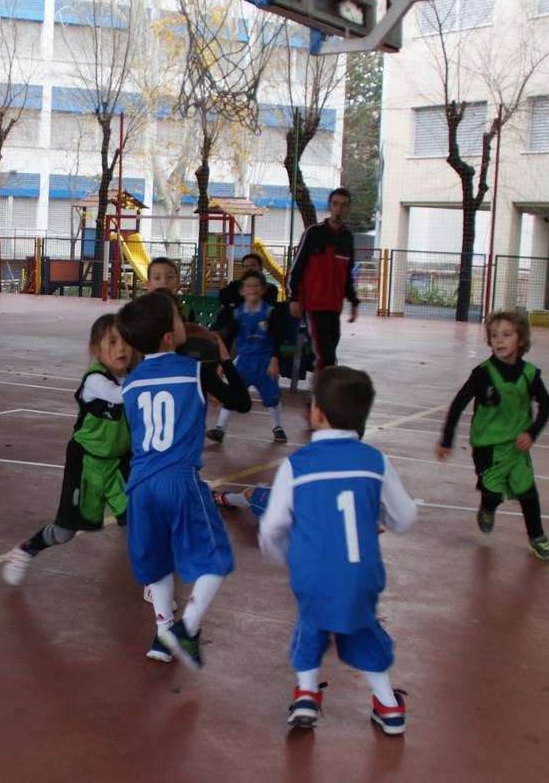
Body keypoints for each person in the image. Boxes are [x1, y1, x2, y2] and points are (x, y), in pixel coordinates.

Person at [259, 366, 417, 735]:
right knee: (360, 626)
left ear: (317, 413)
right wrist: (380, 518)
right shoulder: (375, 461)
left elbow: (273, 525)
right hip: (362, 572)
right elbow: (405, 517)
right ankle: (389, 707)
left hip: (313, 573)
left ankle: (307, 695)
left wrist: (282, 554)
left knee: (311, 625)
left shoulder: (297, 464)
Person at [116, 290, 251, 669]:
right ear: (167, 336)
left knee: (157, 563)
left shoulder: (130, 383)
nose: (183, 322)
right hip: (180, 480)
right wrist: (225, 360)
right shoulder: (196, 369)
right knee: (215, 560)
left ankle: (163, 631)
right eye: (178, 318)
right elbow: (240, 402)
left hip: (140, 485)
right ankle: (186, 628)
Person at [2, 314, 132, 586]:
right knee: (64, 533)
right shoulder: (95, 379)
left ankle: (155, 586)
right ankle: (27, 549)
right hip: (86, 462)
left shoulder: (132, 376)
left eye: (126, 341)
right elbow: (121, 396)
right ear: (96, 349)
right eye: (112, 342)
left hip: (119, 463)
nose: (121, 348)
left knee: (138, 520)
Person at [435, 310, 549, 561]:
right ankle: (487, 507)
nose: (499, 340)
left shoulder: (530, 374)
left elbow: (547, 405)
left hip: (516, 447)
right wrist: (447, 439)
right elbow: (458, 404)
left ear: (521, 340)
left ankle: (537, 538)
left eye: (506, 335)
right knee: (492, 494)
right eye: (494, 335)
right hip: (487, 447)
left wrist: (532, 433)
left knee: (528, 493)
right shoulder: (482, 373)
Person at [206, 269, 287, 444]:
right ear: (242, 291)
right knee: (233, 393)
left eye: (256, 286)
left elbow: (277, 337)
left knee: (272, 397)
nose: (252, 289)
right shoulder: (237, 313)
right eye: (248, 286)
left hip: (264, 362)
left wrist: (274, 360)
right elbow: (229, 339)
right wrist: (222, 364)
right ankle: (220, 428)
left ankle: (277, 427)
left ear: (263, 289)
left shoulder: (269, 312)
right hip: (244, 361)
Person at [286, 188, 359, 374]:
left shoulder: (347, 238)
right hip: (313, 305)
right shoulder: (314, 233)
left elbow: (347, 274)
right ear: (329, 206)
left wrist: (353, 301)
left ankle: (321, 393)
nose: (339, 209)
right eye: (335, 204)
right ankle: (320, 397)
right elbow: (296, 268)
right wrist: (293, 298)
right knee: (324, 354)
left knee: (330, 351)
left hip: (334, 307)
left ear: (348, 209)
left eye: (343, 205)